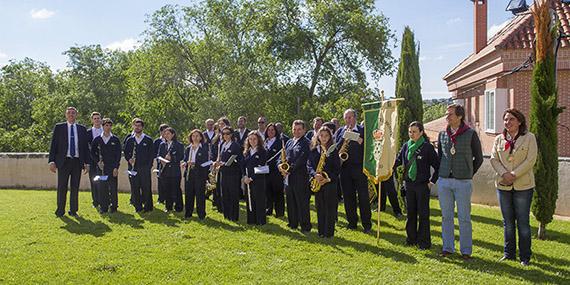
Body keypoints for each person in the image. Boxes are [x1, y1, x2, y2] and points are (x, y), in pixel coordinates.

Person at [490, 108, 537, 266]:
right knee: (507, 222)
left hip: (523, 186)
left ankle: (525, 257)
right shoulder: (499, 139)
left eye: (511, 119)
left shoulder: (529, 138)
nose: (507, 122)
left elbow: (530, 160)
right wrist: (505, 174)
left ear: (519, 121)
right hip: (503, 186)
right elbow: (494, 159)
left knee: (523, 222)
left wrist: (514, 174)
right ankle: (509, 254)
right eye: (505, 119)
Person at [437, 103, 484, 259]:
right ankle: (448, 247)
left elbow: (478, 158)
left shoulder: (470, 134)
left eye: (450, 114)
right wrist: (441, 174)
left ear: (459, 116)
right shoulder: (442, 134)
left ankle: (466, 251)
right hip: (444, 181)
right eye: (447, 114)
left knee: (464, 218)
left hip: (463, 182)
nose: (447, 117)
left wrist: (469, 173)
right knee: (446, 217)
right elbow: (440, 157)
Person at [395, 121, 440, 250]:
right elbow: (398, 161)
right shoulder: (406, 146)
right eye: (410, 132)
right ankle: (411, 239)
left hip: (422, 186)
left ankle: (424, 242)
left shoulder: (427, 148)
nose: (412, 134)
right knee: (410, 213)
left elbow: (437, 166)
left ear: (421, 132)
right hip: (409, 185)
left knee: (423, 214)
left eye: (414, 132)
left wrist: (432, 182)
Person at [48, 107, 91, 217]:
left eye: (73, 113)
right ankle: (60, 211)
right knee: (62, 187)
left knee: (75, 187)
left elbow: (85, 148)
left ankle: (73, 211)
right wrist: (51, 161)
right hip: (63, 162)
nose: (71, 115)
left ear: (76, 115)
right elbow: (54, 145)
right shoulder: (59, 127)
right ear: (66, 115)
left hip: (77, 162)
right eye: (69, 113)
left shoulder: (82, 129)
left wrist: (87, 163)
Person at [334, 109, 371, 232]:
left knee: (363, 198)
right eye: (346, 118)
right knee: (348, 197)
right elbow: (336, 146)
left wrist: (355, 137)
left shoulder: (363, 130)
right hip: (344, 169)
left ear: (355, 118)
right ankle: (352, 223)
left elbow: (368, 145)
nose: (348, 120)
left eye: (350, 117)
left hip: (359, 168)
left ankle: (367, 224)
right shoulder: (340, 130)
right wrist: (344, 137)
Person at [307, 126, 341, 238]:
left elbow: (337, 168)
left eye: (326, 136)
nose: (324, 138)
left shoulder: (333, 150)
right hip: (318, 182)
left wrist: (328, 178)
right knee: (320, 207)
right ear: (318, 136)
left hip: (330, 183)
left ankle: (329, 233)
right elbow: (309, 165)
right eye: (321, 135)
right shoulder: (314, 149)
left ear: (330, 137)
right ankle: (321, 232)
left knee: (330, 208)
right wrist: (314, 174)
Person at [279, 120, 311, 232]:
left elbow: (301, 160)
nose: (296, 131)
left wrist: (289, 169)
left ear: (304, 130)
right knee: (290, 200)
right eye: (294, 129)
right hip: (288, 177)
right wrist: (280, 166)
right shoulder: (289, 142)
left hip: (300, 176)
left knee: (301, 202)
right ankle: (292, 223)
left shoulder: (306, 143)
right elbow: (282, 155)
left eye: (299, 129)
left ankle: (305, 226)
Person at [91, 118, 121, 214]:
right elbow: (92, 153)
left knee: (113, 188)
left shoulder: (115, 139)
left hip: (112, 168)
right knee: (102, 188)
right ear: (102, 126)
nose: (108, 127)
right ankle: (103, 207)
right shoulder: (97, 139)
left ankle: (114, 207)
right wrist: (98, 162)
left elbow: (118, 155)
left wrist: (116, 167)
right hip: (101, 168)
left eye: (109, 125)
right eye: (105, 125)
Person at [124, 118, 155, 213]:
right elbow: (126, 152)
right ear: (133, 126)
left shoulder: (148, 139)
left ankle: (148, 207)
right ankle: (138, 207)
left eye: (139, 126)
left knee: (146, 187)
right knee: (135, 188)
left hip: (145, 168)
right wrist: (129, 159)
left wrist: (148, 166)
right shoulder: (130, 140)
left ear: (142, 127)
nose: (137, 127)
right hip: (133, 168)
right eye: (135, 125)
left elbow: (151, 154)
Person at [214, 126, 242, 221]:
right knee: (224, 194)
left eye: (227, 133)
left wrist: (225, 164)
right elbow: (221, 158)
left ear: (231, 135)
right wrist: (217, 163)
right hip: (223, 173)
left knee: (233, 195)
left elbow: (237, 159)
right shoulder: (222, 144)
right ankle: (226, 215)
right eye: (223, 134)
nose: (225, 135)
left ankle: (234, 216)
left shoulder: (235, 145)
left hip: (233, 174)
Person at [182, 129, 210, 220]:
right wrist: (185, 163)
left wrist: (195, 164)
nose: (195, 138)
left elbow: (206, 162)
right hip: (189, 174)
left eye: (197, 136)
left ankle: (201, 214)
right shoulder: (188, 148)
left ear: (201, 137)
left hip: (200, 174)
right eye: (193, 136)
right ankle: (188, 213)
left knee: (200, 195)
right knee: (189, 194)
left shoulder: (204, 148)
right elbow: (185, 159)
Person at [242, 131, 268, 225]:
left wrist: (251, 178)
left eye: (254, 139)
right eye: (250, 139)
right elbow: (243, 166)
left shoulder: (262, 152)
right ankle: (251, 220)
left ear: (258, 140)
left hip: (258, 180)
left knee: (259, 200)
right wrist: (244, 176)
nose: (252, 141)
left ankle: (260, 221)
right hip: (247, 180)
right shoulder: (246, 152)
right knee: (250, 200)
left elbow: (262, 167)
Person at [158, 127, 185, 212]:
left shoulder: (178, 145)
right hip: (165, 170)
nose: (166, 135)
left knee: (176, 189)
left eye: (168, 133)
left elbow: (181, 156)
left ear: (173, 134)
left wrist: (172, 158)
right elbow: (158, 155)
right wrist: (161, 160)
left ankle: (179, 207)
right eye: (165, 134)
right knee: (166, 189)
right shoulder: (162, 144)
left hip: (175, 171)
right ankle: (168, 207)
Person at [264, 123, 285, 217]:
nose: (271, 132)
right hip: (266, 171)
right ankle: (268, 209)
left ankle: (279, 212)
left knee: (278, 192)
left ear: (276, 131)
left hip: (276, 171)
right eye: (269, 130)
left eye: (273, 130)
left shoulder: (280, 142)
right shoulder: (264, 142)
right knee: (268, 191)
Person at [86, 111, 103, 208]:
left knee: (104, 181)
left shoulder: (105, 131)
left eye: (98, 118)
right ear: (92, 120)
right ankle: (95, 201)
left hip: (104, 161)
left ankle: (105, 200)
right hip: (92, 161)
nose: (97, 120)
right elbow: (86, 147)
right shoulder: (88, 133)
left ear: (101, 120)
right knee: (94, 181)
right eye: (95, 118)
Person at [154, 124, 169, 204]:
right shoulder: (157, 141)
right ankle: (161, 198)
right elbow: (154, 153)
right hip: (160, 164)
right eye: (164, 131)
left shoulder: (171, 141)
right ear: (160, 132)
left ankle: (169, 198)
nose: (166, 133)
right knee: (160, 181)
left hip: (169, 165)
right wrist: (160, 159)